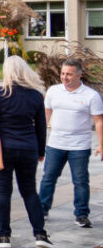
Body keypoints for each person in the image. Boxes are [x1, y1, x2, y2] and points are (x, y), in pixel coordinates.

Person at [0, 55, 52, 248]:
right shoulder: (36, 96)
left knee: (3, 191)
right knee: (29, 191)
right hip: (28, 147)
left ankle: (4, 235)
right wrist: (41, 151)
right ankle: (40, 234)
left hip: (4, 150)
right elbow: (41, 127)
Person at [39, 58, 103, 228]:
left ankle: (81, 215)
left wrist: (101, 144)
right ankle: (42, 210)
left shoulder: (91, 95)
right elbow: (45, 117)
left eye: (69, 74)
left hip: (79, 146)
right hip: (55, 144)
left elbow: (98, 121)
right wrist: (39, 140)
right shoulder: (53, 91)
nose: (64, 77)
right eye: (62, 73)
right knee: (48, 178)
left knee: (80, 181)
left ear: (79, 75)